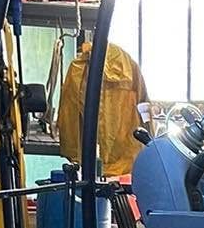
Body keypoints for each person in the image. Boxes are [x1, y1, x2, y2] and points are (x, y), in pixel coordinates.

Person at [57, 37, 150, 181]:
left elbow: (68, 117)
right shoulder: (129, 67)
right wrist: (150, 143)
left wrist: (72, 152)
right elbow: (145, 107)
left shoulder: (79, 69)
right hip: (127, 160)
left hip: (89, 161)